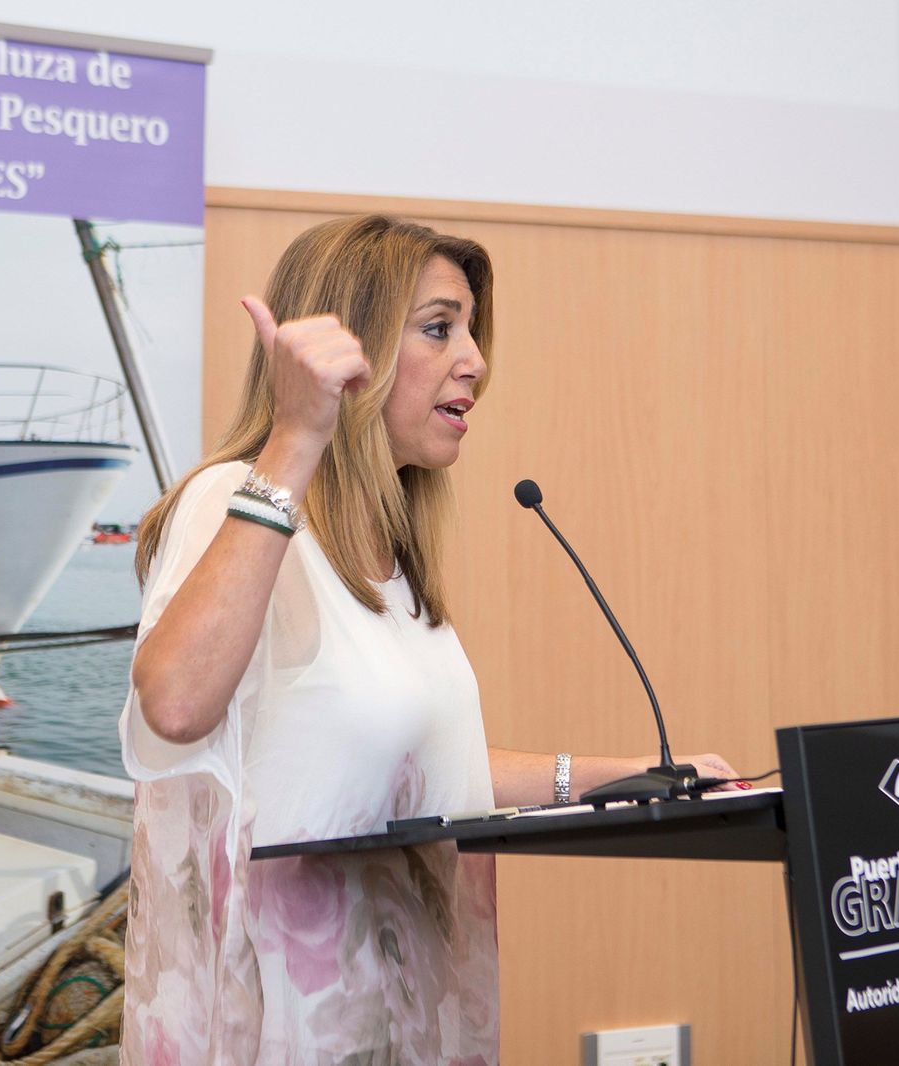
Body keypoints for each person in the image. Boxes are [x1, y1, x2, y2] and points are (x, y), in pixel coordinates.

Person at [119, 214, 737, 1064]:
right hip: (284, 1034)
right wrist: (299, 437)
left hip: (403, 1023)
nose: (476, 361)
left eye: (472, 330)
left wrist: (625, 777)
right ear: (352, 347)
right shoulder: (243, 501)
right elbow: (176, 706)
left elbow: (421, 777)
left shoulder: (390, 554)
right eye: (440, 328)